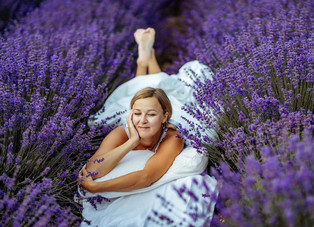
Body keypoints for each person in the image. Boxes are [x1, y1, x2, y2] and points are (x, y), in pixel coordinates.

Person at [77, 28, 218, 226]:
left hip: (178, 109)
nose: (142, 121)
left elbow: (147, 177)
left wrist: (96, 189)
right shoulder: (121, 132)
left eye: (151, 116)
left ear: (164, 117)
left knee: (168, 90)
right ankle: (144, 60)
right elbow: (93, 168)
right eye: (136, 115)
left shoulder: (172, 137)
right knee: (143, 93)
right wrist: (131, 142)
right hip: (152, 106)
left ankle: (146, 60)